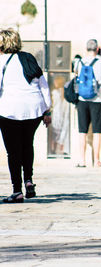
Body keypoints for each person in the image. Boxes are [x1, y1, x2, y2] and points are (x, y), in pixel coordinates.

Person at [0, 28, 51, 203]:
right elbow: (43, 85)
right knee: (27, 144)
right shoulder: (28, 58)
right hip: (33, 109)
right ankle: (28, 180)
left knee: (13, 152)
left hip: (9, 110)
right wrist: (47, 109)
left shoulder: (1, 61)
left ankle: (17, 190)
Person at [74, 39, 101, 167]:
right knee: (97, 132)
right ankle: (97, 160)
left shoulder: (79, 62)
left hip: (82, 100)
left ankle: (82, 160)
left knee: (82, 131)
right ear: (98, 48)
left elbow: (76, 74)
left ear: (86, 48)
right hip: (98, 100)